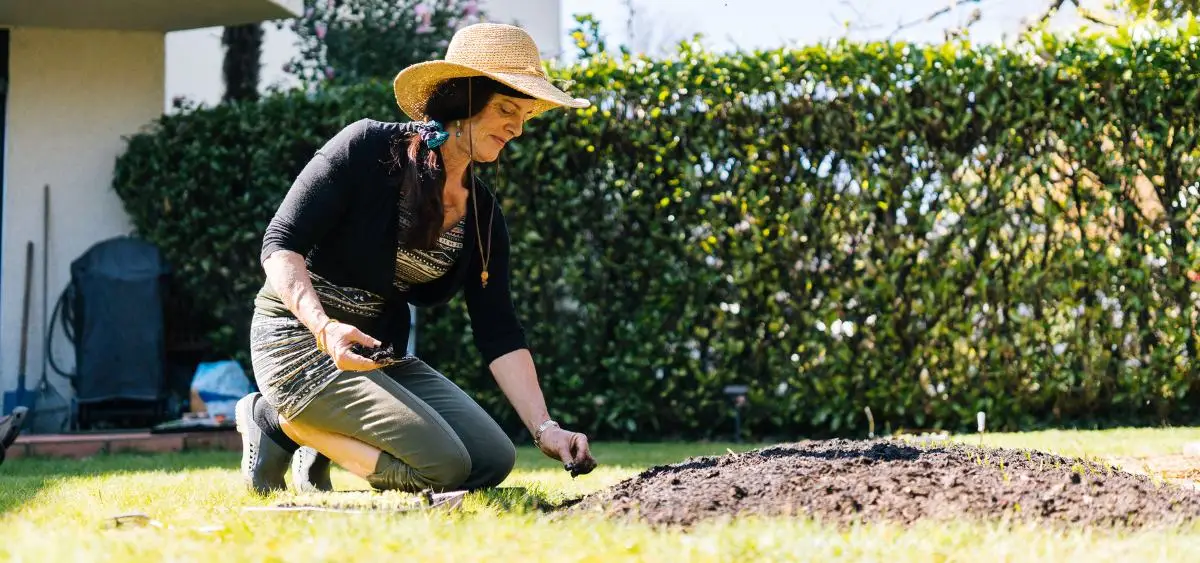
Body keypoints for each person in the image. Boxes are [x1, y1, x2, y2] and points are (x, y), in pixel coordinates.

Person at [235, 22, 597, 495]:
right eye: (507, 109)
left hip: (373, 353)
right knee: (444, 468)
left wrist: (545, 428)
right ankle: (277, 421)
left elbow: (499, 328)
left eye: (525, 114)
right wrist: (324, 328)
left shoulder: (482, 215)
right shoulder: (365, 148)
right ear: (462, 99)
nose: (518, 127)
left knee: (492, 459)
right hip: (300, 340)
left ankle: (317, 429)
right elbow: (281, 243)